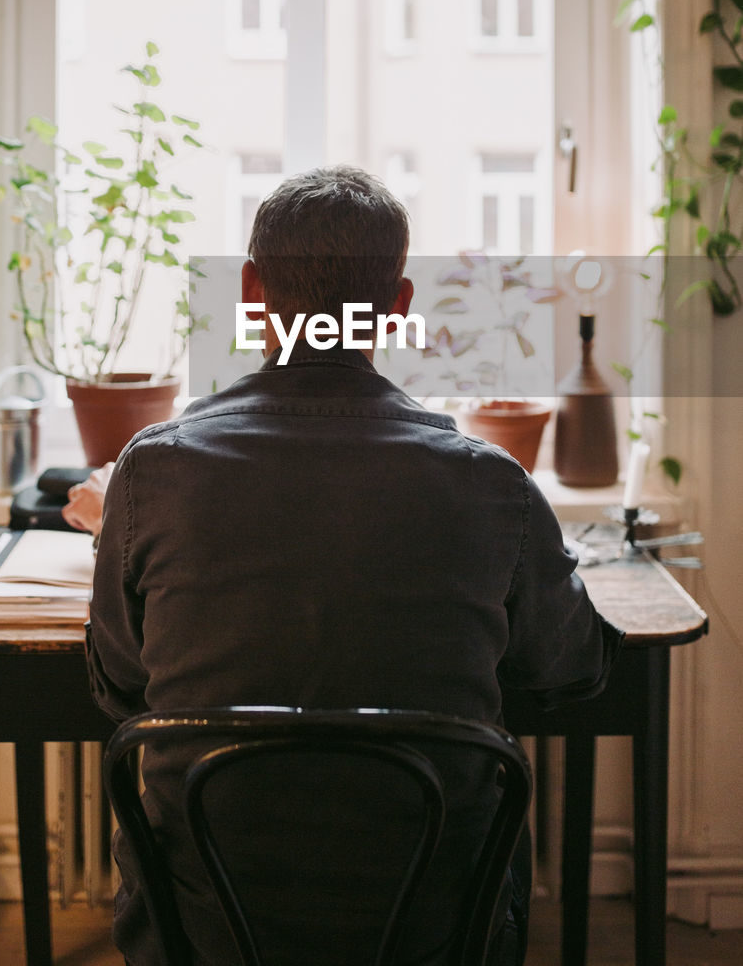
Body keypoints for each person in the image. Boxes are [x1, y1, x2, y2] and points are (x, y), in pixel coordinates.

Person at [71, 165, 623, 966]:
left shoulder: (152, 472)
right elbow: (569, 670)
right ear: (397, 309)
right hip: (435, 928)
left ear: (251, 291)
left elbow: (119, 687)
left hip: (204, 929)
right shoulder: (489, 480)